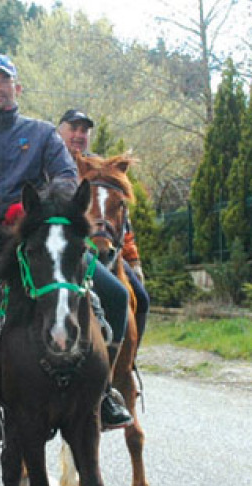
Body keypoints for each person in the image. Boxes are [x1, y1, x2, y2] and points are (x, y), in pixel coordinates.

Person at [0, 54, 132, 448]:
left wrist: (41, 208)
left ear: (18, 89)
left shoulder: (41, 135)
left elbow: (69, 180)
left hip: (40, 245)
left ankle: (102, 392)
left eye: (6, 80)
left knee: (118, 297)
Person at [56, 108, 151, 346]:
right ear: (60, 131)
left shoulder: (100, 168)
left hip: (104, 250)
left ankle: (126, 363)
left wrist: (133, 259)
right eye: (73, 128)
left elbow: (119, 218)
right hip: (62, 252)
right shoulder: (49, 163)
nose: (79, 135)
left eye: (84, 130)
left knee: (140, 297)